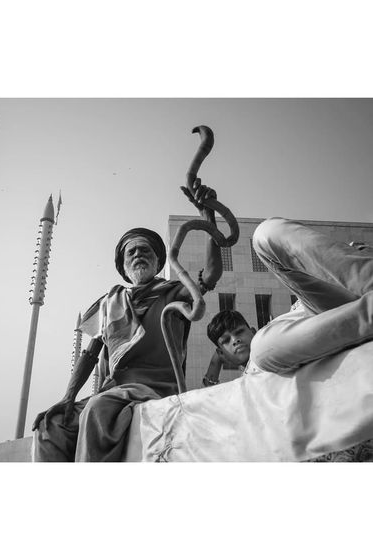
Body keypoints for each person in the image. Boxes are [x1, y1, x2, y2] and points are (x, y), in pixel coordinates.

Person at [32, 179, 222, 462]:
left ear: (159, 262)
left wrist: (208, 217)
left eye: (145, 250)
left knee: (98, 408)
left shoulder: (173, 291)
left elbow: (210, 275)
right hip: (115, 389)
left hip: (156, 388)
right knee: (50, 426)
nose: (138, 255)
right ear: (123, 266)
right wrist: (67, 398)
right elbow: (90, 355)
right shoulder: (110, 303)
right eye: (131, 252)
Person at [244, 216, 373, 461]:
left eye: (236, 332)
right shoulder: (278, 327)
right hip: (334, 316)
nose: (234, 342)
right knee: (262, 349)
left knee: (267, 232)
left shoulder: (337, 266)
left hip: (355, 289)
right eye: (225, 341)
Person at [202, 310, 256, 387]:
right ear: (221, 353)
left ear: (253, 332)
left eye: (239, 332)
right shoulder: (243, 385)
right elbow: (209, 394)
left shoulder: (274, 357)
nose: (235, 340)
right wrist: (217, 359)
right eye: (226, 340)